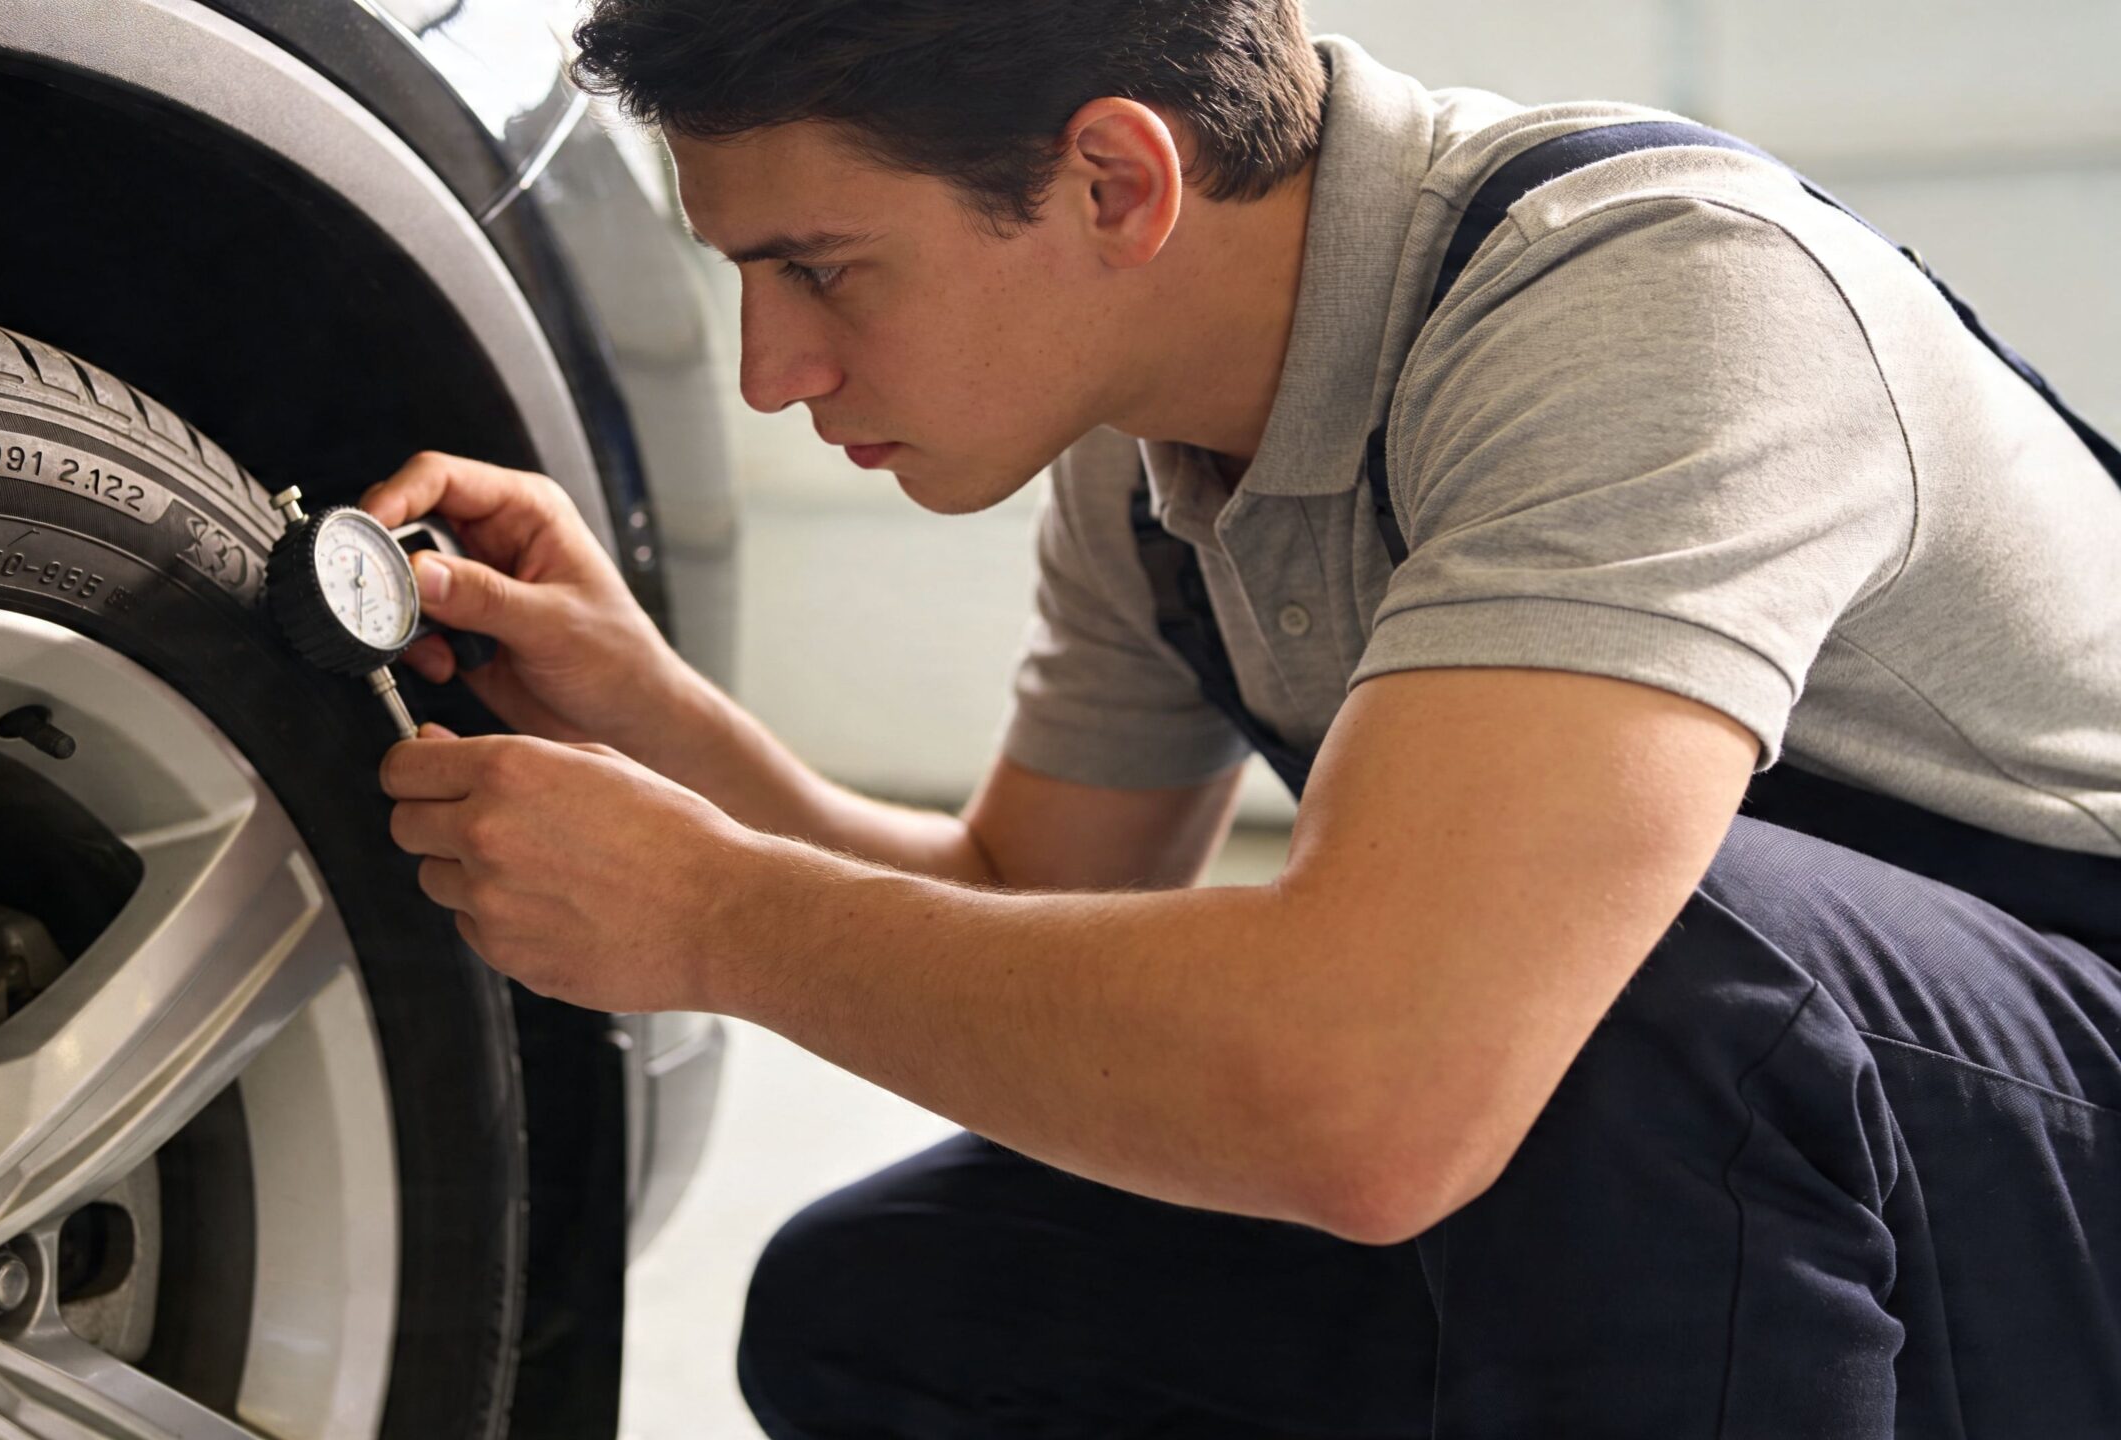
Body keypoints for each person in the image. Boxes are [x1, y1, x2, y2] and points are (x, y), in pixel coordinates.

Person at [359, 1, 2121, 1434]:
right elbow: (1030, 902)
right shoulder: (1153, 463)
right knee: (895, 1310)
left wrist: (715, 919)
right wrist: (647, 716)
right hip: (1790, 1175)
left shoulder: (1657, 303)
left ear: (1119, 182)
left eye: (821, 268)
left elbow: (1377, 1096)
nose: (771, 369)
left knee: (1620, 970)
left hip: (2064, 1182)